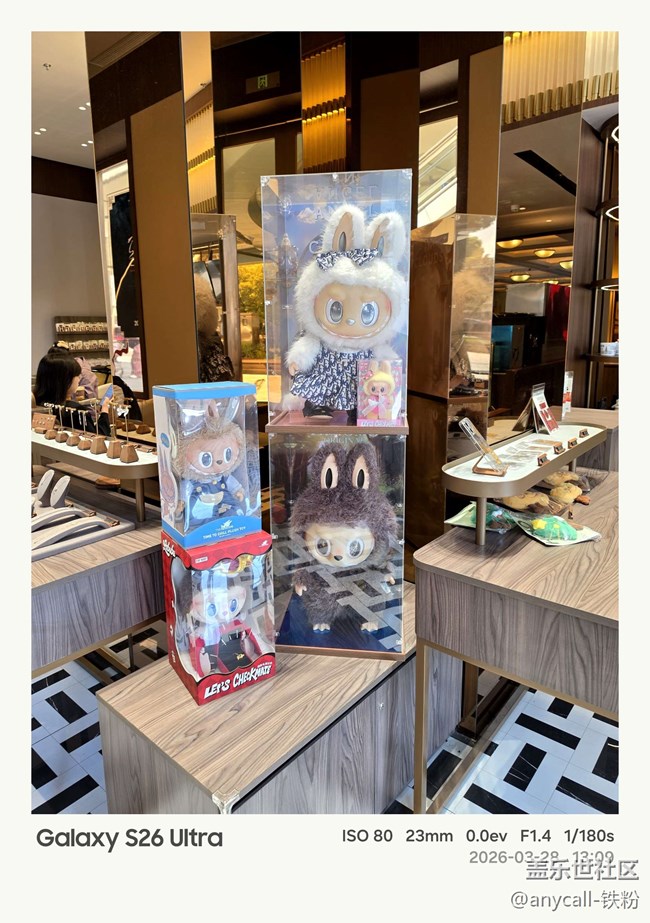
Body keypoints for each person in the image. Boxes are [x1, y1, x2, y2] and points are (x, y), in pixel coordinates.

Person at [33, 354, 112, 436]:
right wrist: (105, 409)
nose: (79, 379)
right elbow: (99, 437)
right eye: (77, 375)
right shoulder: (75, 411)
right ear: (65, 380)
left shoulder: (37, 403)